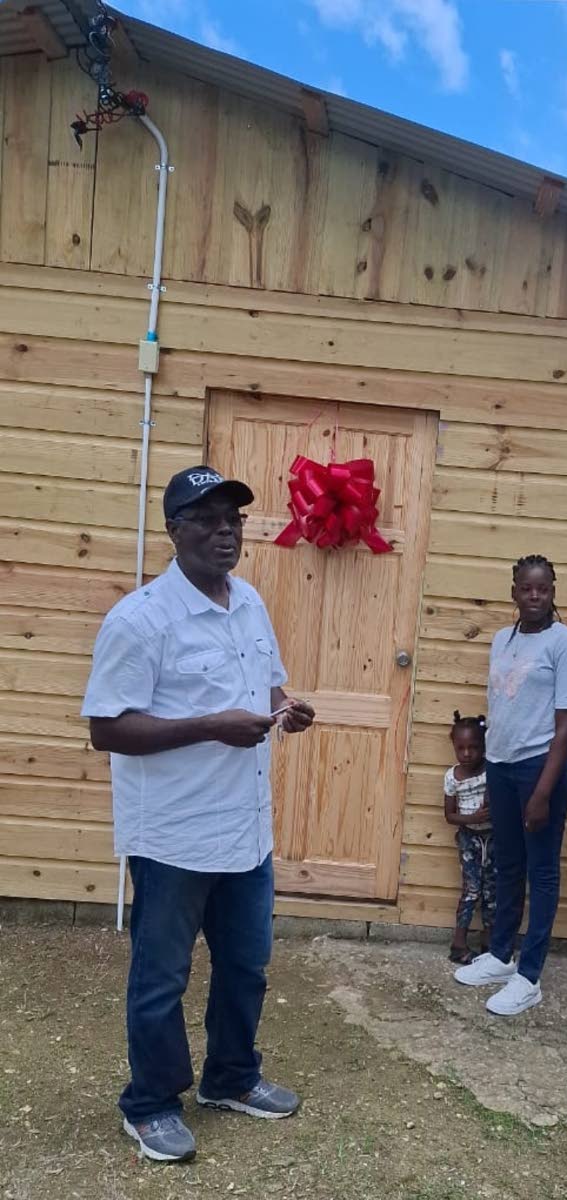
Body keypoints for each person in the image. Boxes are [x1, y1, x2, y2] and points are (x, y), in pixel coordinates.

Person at [82, 466, 315, 1162]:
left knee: (246, 966)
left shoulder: (248, 602)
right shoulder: (140, 619)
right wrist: (210, 726)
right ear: (173, 529)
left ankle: (231, 1078)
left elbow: (263, 680)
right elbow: (108, 728)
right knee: (162, 977)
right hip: (175, 834)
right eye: (206, 518)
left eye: (234, 519)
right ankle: (149, 1103)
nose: (224, 531)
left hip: (245, 827)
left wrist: (285, 708)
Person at [454, 555, 567, 1015]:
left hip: (542, 767)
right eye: (526, 589)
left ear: (553, 591)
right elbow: (501, 710)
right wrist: (492, 772)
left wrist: (544, 792)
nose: (534, 597)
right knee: (507, 863)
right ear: (513, 591)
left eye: (543, 589)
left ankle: (529, 975)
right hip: (503, 765)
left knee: (541, 870)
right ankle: (500, 954)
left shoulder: (566, 643)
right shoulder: (501, 640)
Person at [444, 711, 494, 965]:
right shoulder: (452, 777)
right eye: (461, 748)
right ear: (453, 746)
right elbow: (450, 815)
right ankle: (459, 943)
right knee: (471, 890)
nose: (466, 754)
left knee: (492, 892)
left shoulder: (492, 771)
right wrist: (472, 819)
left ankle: (490, 945)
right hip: (469, 840)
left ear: (484, 746)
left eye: (473, 747)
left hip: (494, 839)